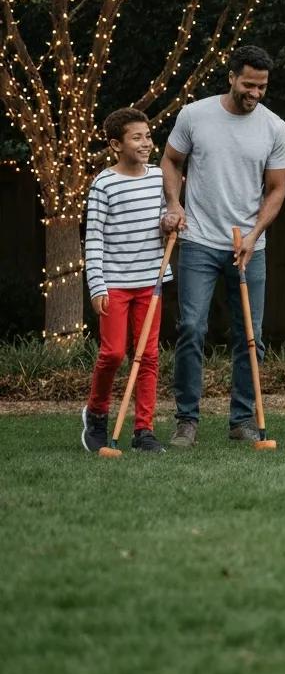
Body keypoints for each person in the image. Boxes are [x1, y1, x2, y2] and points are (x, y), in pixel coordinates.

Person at [160, 44, 285, 448]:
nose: (255, 93)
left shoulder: (274, 127)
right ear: (231, 76)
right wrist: (175, 203)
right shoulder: (195, 115)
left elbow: (277, 188)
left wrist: (254, 234)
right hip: (198, 240)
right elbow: (170, 160)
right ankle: (186, 421)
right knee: (191, 328)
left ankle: (242, 420)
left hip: (249, 246)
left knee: (250, 335)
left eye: (262, 86)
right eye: (248, 84)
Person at [81, 109, 170, 454]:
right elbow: (94, 239)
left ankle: (143, 430)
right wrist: (97, 286)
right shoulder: (104, 184)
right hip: (115, 284)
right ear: (116, 144)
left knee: (147, 356)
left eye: (148, 136)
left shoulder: (157, 176)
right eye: (137, 137)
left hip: (151, 282)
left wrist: (170, 221)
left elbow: (162, 218)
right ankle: (97, 414)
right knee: (114, 353)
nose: (146, 143)